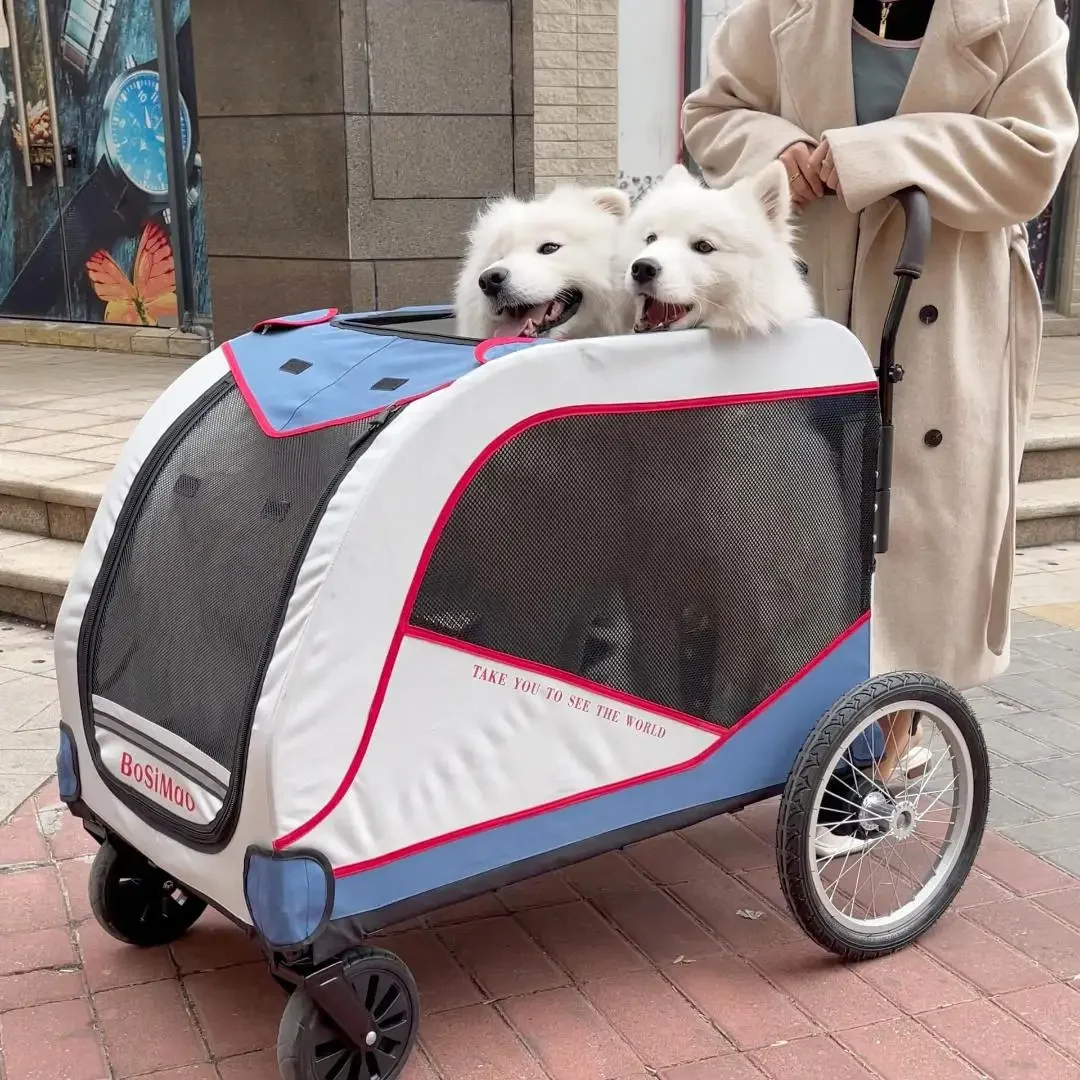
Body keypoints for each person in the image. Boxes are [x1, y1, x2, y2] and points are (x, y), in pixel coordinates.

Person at [683, 0, 1079, 849]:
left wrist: (874, 152)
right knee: (792, 520)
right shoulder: (782, 8)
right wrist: (776, 153)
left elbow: (1034, 155)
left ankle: (893, 746)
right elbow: (712, 113)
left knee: (923, 534)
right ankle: (810, 727)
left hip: (946, 302)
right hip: (805, 297)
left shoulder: (1016, 17)